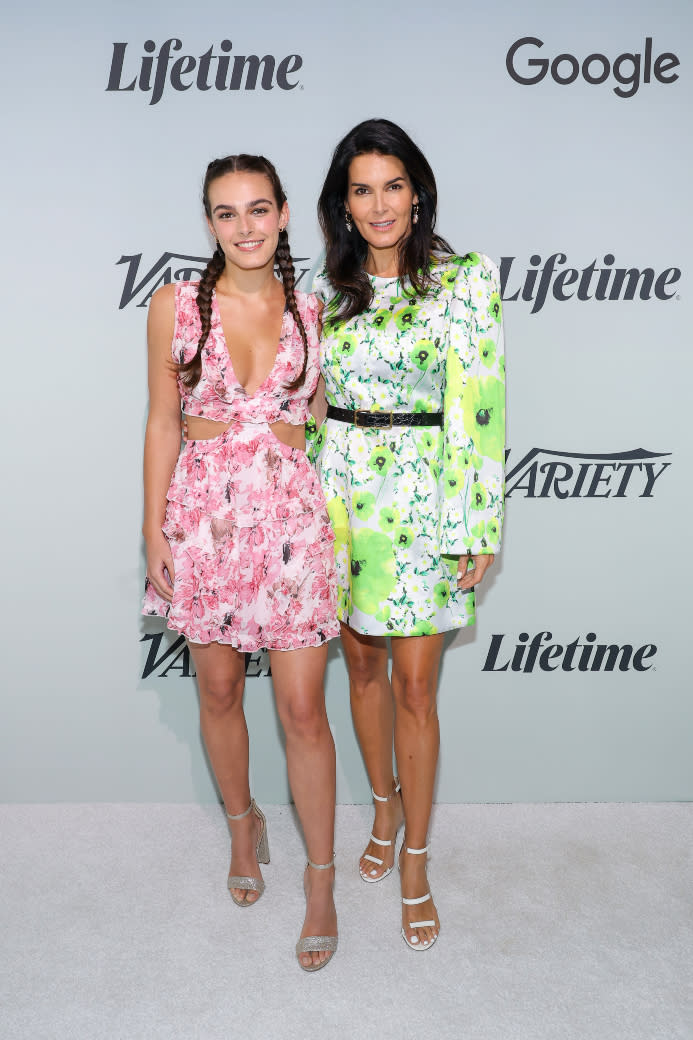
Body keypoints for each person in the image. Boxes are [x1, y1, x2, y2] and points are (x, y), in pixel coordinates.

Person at [311, 119, 505, 951]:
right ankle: (383, 813)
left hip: (425, 499)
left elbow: (479, 406)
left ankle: (417, 861)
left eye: (393, 185)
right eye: (362, 189)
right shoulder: (327, 294)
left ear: (417, 192)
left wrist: (479, 520)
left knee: (416, 691)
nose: (379, 203)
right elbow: (308, 413)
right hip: (341, 500)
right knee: (359, 671)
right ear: (342, 206)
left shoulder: (463, 281)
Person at [142, 154, 339, 972]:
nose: (245, 226)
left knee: (301, 711)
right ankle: (242, 825)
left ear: (285, 214)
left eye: (259, 209)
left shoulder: (311, 309)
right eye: (226, 213)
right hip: (204, 519)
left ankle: (321, 881)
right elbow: (161, 421)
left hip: (291, 519)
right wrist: (152, 531)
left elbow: (323, 421)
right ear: (209, 223)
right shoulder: (174, 306)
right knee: (219, 690)